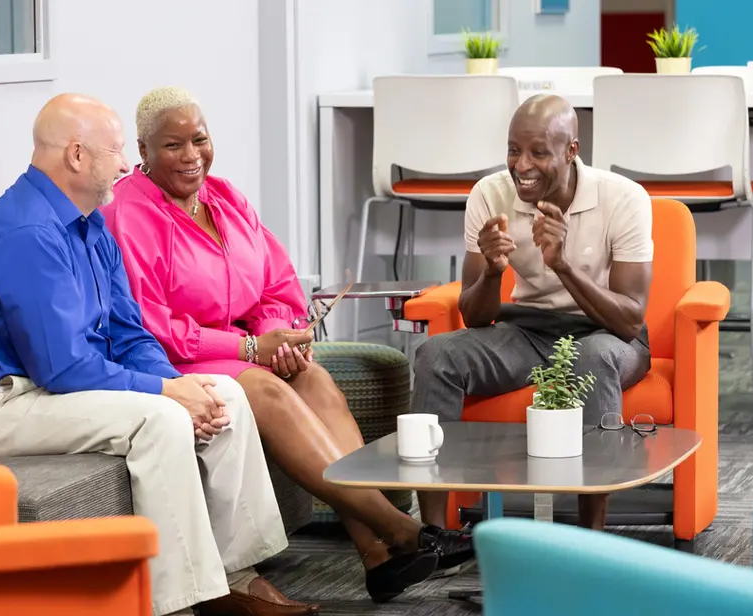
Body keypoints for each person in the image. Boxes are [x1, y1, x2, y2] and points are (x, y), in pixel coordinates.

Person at [0, 93, 320, 616]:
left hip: (48, 390)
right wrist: (165, 391)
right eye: (115, 152)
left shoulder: (90, 224)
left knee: (222, 392)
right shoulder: (27, 232)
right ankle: (179, 602)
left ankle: (235, 576)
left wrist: (177, 383)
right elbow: (62, 367)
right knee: (160, 420)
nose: (127, 165)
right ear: (77, 156)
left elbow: (129, 334)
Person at [101, 86, 474, 602]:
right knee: (268, 390)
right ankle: (401, 531)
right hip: (171, 358)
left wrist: (282, 338)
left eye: (200, 140)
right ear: (143, 152)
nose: (191, 156)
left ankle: (378, 555)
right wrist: (251, 350)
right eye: (172, 146)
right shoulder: (128, 213)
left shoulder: (226, 198)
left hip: (243, 345)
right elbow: (148, 322)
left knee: (313, 379)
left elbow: (277, 283)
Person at [412, 94, 654, 531]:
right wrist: (490, 271)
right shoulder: (489, 195)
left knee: (591, 359)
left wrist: (562, 264)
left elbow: (629, 320)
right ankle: (434, 536)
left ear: (571, 151)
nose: (521, 165)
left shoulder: (623, 198)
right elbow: (475, 317)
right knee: (437, 355)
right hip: (527, 331)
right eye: (513, 150)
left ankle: (590, 539)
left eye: (538, 153)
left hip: (608, 337)